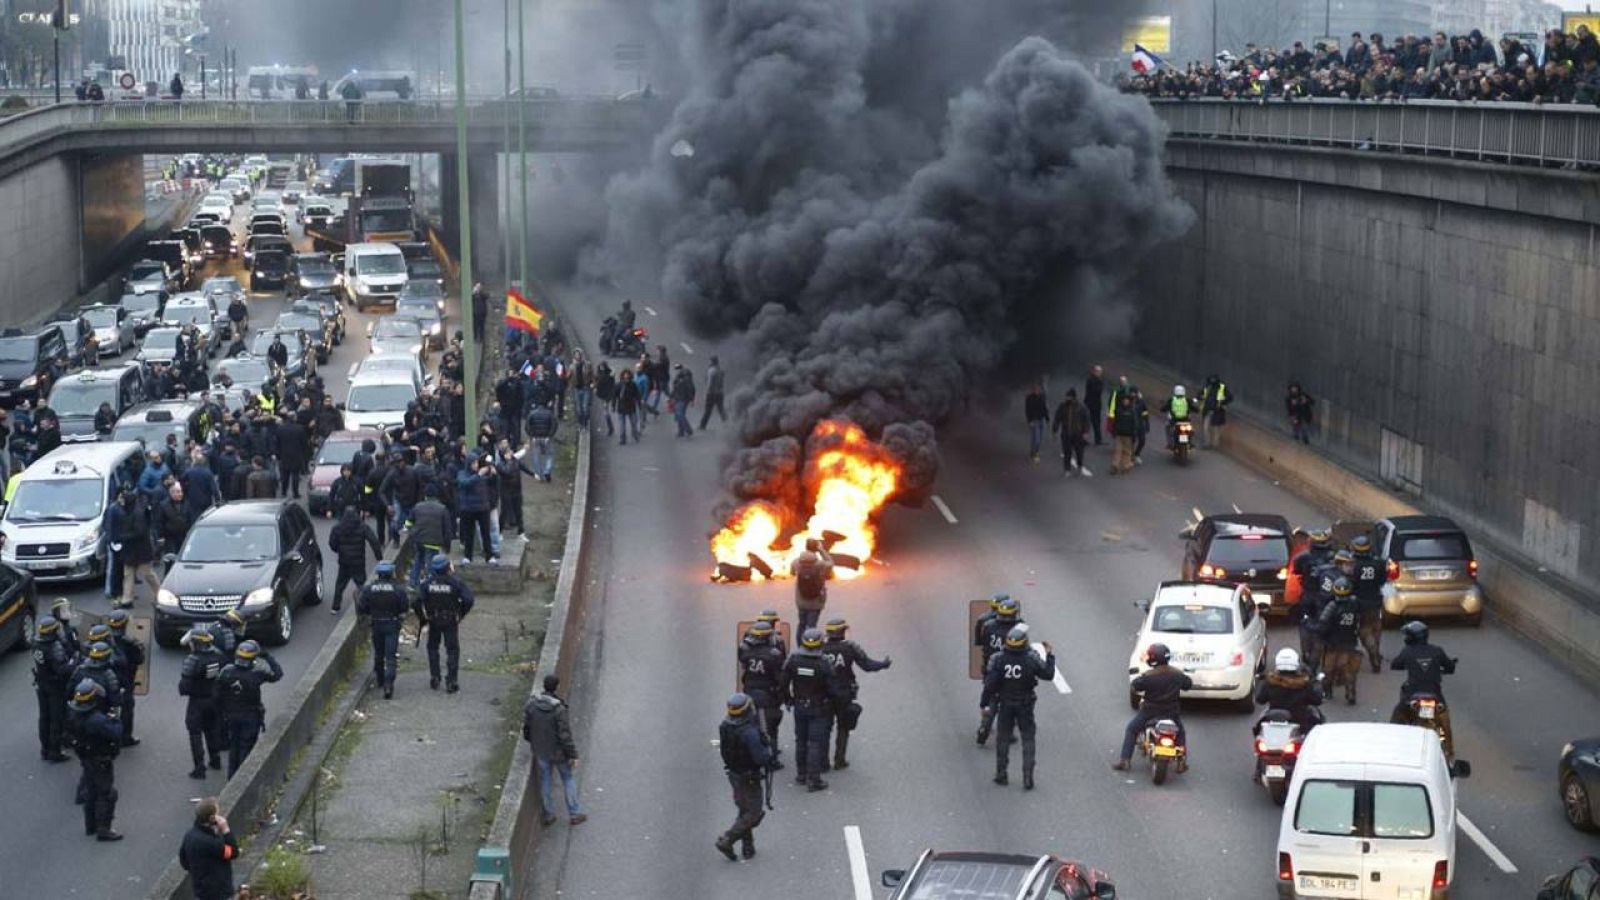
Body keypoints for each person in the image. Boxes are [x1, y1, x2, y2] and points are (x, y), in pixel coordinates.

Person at [981, 625, 1054, 789]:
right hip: (1026, 704)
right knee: (1028, 739)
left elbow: (990, 685)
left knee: (1003, 739)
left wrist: (984, 703)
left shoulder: (999, 659)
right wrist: (1049, 655)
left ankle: (1002, 774)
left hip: (1005, 704)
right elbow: (1048, 674)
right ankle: (1028, 777)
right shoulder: (1031, 658)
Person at [820, 618, 890, 770]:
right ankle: (839, 760)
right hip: (844, 693)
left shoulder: (820, 648)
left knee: (824, 728)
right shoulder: (850, 648)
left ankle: (822, 763)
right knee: (843, 727)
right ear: (842, 632)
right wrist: (884, 664)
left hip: (824, 694)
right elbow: (867, 665)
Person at [1115, 643, 1193, 772]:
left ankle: (1125, 761)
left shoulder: (1149, 676)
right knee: (1180, 732)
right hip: (1171, 711)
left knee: (1132, 729)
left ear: (1153, 658)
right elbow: (1188, 685)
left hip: (1150, 711)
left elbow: (1135, 686)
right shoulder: (1177, 674)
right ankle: (1181, 762)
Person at [715, 692, 773, 861]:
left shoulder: (725, 726)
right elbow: (761, 758)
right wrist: (767, 749)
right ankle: (728, 838)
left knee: (744, 809)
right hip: (749, 777)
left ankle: (748, 847)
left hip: (734, 773)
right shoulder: (749, 733)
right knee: (753, 813)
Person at [522, 674, 587, 826]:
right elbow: (565, 735)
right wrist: (573, 754)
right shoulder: (559, 710)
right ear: (557, 687)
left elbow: (527, 727)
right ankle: (574, 813)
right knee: (568, 778)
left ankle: (549, 814)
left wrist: (532, 741)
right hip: (558, 753)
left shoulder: (532, 704)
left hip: (541, 750)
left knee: (545, 780)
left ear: (544, 686)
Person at [1388, 621, 1458, 758]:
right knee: (1445, 720)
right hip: (1435, 694)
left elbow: (1395, 664)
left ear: (1412, 637)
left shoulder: (1407, 651)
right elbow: (1450, 667)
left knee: (1396, 716)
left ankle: (1392, 743)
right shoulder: (1437, 650)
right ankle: (1449, 751)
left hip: (1412, 695)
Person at [66, 680, 123, 841]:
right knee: (107, 794)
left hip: (86, 756)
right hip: (101, 759)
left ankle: (90, 825)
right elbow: (116, 732)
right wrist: (115, 719)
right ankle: (103, 829)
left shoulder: (73, 714)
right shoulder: (97, 720)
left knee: (91, 792)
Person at [215, 640, 282, 776]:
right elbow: (277, 674)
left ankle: (231, 777)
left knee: (234, 746)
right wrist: (267, 656)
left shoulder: (226, 672)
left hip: (231, 716)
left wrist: (223, 712)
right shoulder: (256, 674)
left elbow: (217, 694)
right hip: (250, 717)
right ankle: (243, 778)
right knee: (246, 748)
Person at [781, 627, 833, 791]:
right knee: (815, 743)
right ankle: (814, 779)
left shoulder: (793, 659)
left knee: (801, 741)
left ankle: (801, 775)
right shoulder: (824, 663)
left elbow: (783, 683)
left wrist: (788, 699)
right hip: (819, 708)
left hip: (800, 706)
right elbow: (832, 687)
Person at [416, 556, 474, 692]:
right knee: (452, 650)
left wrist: (423, 617)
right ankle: (451, 681)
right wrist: (461, 613)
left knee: (432, 648)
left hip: (434, 619)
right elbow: (469, 599)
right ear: (448, 567)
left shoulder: (427, 584)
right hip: (450, 619)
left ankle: (435, 677)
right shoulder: (455, 583)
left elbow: (416, 601)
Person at [738, 620, 788, 770]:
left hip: (749, 692)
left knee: (751, 725)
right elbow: (780, 678)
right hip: (767, 695)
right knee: (769, 729)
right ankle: (770, 760)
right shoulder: (773, 655)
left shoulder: (746, 651)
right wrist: (784, 695)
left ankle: (751, 756)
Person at [179, 628, 227, 778]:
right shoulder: (219, 656)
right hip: (214, 700)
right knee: (212, 730)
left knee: (195, 733)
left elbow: (184, 686)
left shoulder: (193, 660)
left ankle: (199, 768)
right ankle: (215, 759)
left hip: (197, 701)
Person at [974, 595, 1021, 746]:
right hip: (1011, 671)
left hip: (991, 668)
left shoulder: (988, 625)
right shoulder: (1019, 628)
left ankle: (984, 726)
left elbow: (981, 642)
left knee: (990, 697)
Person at [358, 561, 407, 699]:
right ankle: (388, 684)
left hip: (376, 623)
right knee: (391, 657)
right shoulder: (397, 589)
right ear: (391, 573)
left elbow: (362, 607)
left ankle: (380, 679)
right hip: (391, 624)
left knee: (379, 654)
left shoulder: (369, 589)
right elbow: (404, 606)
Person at [32, 614, 78, 762]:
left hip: (41, 684)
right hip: (55, 687)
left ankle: (44, 749)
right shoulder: (54, 646)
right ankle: (55, 751)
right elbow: (62, 670)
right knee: (56, 718)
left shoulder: (36, 644)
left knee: (44, 717)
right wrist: (74, 662)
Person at [108, 488, 160, 609]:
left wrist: (122, 537)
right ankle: (127, 599)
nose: (121, 502)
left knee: (145, 574)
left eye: (123, 500)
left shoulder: (135, 513)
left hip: (138, 550)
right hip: (138, 550)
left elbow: (139, 532)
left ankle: (158, 594)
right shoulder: (136, 511)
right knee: (133, 574)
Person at [179, 798, 240, 900]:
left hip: (201, 889)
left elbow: (184, 861)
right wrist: (226, 830)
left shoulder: (189, 835)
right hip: (219, 891)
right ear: (212, 818)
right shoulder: (211, 843)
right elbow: (233, 852)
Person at [1315, 576, 1364, 704]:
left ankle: (1327, 692)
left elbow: (1323, 625)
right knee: (1349, 671)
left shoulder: (1332, 606)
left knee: (1328, 670)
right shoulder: (1356, 603)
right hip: (1350, 642)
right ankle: (1350, 693)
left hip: (1333, 644)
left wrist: (1318, 633)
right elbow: (1361, 618)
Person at [1253, 647, 1324, 735]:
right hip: (1301, 723)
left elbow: (1260, 699)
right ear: (1296, 663)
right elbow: (1317, 700)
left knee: (1260, 724)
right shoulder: (1304, 683)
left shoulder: (1270, 682)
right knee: (1318, 726)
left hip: (1274, 720)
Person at [328, 506, 383, 614]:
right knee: (361, 584)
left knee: (340, 584)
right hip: (358, 561)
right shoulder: (362, 527)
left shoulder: (338, 528)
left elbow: (332, 544)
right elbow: (374, 541)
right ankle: (364, 606)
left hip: (344, 561)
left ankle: (335, 607)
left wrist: (339, 551)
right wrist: (379, 558)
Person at [1348, 534, 1387, 671]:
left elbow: (1350, 584)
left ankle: (1373, 653)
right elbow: (1382, 581)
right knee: (1376, 628)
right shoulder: (1379, 563)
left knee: (1364, 630)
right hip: (1376, 601)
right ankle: (1376, 649)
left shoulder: (1353, 565)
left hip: (1360, 603)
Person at [106, 610, 144, 746]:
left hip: (107, 680)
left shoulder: (104, 639)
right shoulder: (131, 643)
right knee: (127, 709)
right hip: (126, 680)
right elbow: (139, 660)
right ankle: (125, 737)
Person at [406, 483, 454, 584]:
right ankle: (431, 583)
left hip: (419, 540)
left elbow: (408, 523)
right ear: (436, 496)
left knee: (418, 561)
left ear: (425, 495)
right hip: (434, 542)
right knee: (432, 564)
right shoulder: (442, 509)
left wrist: (412, 533)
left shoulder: (417, 507)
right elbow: (447, 530)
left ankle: (413, 582)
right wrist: (447, 546)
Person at [789, 538, 833, 632]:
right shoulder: (819, 564)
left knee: (801, 624)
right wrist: (822, 550)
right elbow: (831, 563)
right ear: (816, 548)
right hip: (816, 601)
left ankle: (800, 645)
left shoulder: (796, 562)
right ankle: (811, 643)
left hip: (801, 600)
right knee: (811, 625)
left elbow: (792, 572)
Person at [1051, 388, 1091, 476]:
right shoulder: (1062, 406)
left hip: (1078, 434)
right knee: (1067, 452)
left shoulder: (1081, 407)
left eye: (1069, 397)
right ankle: (1067, 469)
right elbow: (1057, 418)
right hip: (1066, 434)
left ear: (1073, 397)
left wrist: (1085, 432)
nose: (1067, 398)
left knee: (1079, 452)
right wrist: (1055, 429)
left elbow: (1086, 420)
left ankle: (1079, 465)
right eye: (1067, 397)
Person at [1107, 380, 1140, 475]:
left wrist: (1133, 433)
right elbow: (1133, 423)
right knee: (1121, 451)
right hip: (1122, 434)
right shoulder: (1129, 411)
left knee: (1125, 451)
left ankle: (1122, 466)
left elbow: (1134, 424)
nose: (1125, 401)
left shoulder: (1120, 410)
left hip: (1126, 434)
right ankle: (1118, 466)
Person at [525, 402, 558, 482]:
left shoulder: (532, 414)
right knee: (549, 455)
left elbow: (527, 426)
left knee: (536, 456)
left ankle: (539, 474)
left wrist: (531, 435)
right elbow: (554, 425)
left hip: (536, 437)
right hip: (546, 437)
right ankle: (547, 470)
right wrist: (550, 435)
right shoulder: (549, 414)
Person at [1200, 375, 1231, 449]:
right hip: (1208, 411)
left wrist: (1222, 403)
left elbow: (1230, 397)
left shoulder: (1222, 388)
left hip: (1217, 411)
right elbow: (1200, 394)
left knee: (1215, 428)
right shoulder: (1207, 387)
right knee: (1206, 427)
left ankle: (1215, 444)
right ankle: (1207, 444)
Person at [1023, 381, 1048, 463]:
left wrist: (1047, 418)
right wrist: (1029, 421)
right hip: (1034, 420)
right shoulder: (1029, 398)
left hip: (1041, 420)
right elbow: (1027, 410)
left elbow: (1044, 408)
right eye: (1036, 389)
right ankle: (1035, 453)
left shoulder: (1042, 397)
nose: (1037, 390)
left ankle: (1033, 451)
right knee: (1036, 438)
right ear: (1033, 390)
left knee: (1039, 438)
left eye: (1038, 389)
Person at [699, 356, 727, 429]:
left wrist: (707, 393)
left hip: (711, 393)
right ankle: (727, 423)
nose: (709, 363)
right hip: (720, 393)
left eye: (710, 361)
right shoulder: (721, 370)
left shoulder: (711, 370)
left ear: (712, 362)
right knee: (721, 409)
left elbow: (710, 383)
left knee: (708, 410)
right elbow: (721, 382)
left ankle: (702, 425)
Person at [1161, 384, 1192, 449]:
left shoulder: (1172, 400)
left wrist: (1162, 409)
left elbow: (1165, 408)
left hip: (1174, 420)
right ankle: (1190, 442)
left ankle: (1169, 444)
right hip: (1185, 420)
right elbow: (1194, 408)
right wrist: (1197, 410)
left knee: (1167, 428)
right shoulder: (1187, 400)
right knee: (1190, 430)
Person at [669, 363, 696, 437]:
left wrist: (692, 399)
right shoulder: (678, 377)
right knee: (680, 415)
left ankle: (688, 430)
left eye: (677, 369)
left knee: (679, 414)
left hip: (683, 399)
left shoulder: (685, 378)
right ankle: (681, 432)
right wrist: (671, 397)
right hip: (679, 398)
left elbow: (691, 389)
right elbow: (675, 389)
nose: (676, 371)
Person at [1084, 365, 1105, 445]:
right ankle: (1085, 439)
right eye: (1098, 371)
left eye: (1100, 372)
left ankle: (1098, 439)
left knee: (1097, 422)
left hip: (1096, 404)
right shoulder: (1091, 380)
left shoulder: (1097, 380)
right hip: (1091, 404)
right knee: (1088, 422)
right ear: (1094, 371)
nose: (1099, 373)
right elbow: (1096, 391)